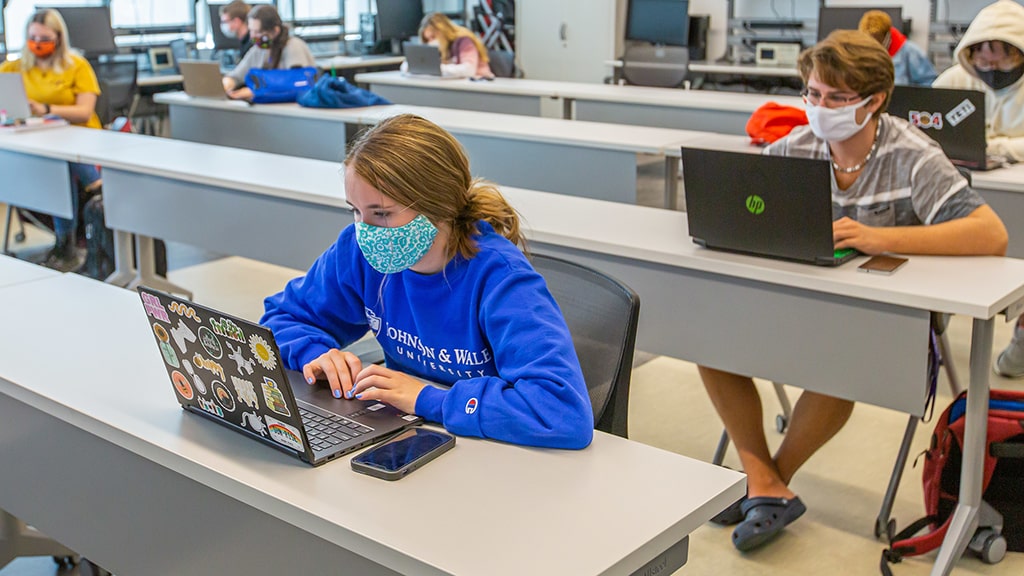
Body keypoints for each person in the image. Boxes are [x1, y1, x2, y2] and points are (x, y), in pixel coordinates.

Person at [702, 29, 1007, 553]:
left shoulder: (912, 154)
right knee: (711, 339)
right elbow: (740, 208)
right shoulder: (796, 147)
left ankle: (769, 478)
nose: (822, 109)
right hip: (801, 302)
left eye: (838, 99)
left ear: (876, 100)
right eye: (814, 95)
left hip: (889, 323)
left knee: (839, 360)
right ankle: (763, 480)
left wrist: (878, 238)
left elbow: (991, 233)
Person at [261, 114, 593, 450]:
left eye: (382, 213)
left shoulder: (501, 279)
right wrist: (315, 353)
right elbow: (283, 317)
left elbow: (562, 412)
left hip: (496, 448)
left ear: (440, 206)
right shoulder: (357, 251)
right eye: (355, 211)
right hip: (410, 436)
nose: (364, 230)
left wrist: (427, 399)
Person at [0, 9, 103, 272]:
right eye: (32, 37)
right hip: (35, 140)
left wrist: (46, 109)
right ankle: (94, 190)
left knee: (60, 165)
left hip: (81, 139)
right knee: (51, 164)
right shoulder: (12, 68)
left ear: (58, 38)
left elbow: (85, 111)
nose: (37, 42)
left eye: (44, 37)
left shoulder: (76, 65)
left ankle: (66, 242)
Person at [933, 0, 1024, 163]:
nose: (992, 68)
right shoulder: (953, 81)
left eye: (1003, 61)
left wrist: (990, 147)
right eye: (983, 61)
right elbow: (927, 129)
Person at [221, 4, 316, 101]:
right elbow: (236, 76)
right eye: (251, 31)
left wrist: (254, 91)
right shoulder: (258, 50)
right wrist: (226, 84)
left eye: (257, 32)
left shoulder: (293, 46)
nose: (252, 37)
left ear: (275, 31)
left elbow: (297, 83)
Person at [858, 9, 937, 86]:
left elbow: (929, 84)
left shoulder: (910, 52)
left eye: (877, 39)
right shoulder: (862, 53)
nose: (874, 44)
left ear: (887, 35)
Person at [408, 12, 494, 78]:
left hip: (479, 86)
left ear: (443, 31)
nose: (430, 42)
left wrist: (438, 68)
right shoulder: (442, 48)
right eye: (427, 40)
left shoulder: (464, 41)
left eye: (433, 37)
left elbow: (469, 70)